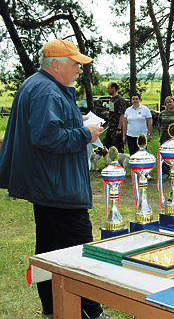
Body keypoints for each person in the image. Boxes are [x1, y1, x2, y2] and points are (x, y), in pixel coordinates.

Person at [0, 39, 110, 319]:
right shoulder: (48, 92)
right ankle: (92, 314)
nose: (78, 70)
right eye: (74, 64)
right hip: (59, 188)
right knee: (80, 253)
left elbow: (48, 129)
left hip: (47, 185)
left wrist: (78, 122)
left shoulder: (38, 85)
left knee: (49, 253)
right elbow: (47, 136)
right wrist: (86, 133)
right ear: (57, 64)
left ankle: (53, 311)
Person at [103, 81, 127, 153]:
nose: (107, 90)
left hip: (116, 127)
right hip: (110, 127)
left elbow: (122, 115)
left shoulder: (120, 100)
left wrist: (119, 128)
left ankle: (120, 163)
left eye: (109, 88)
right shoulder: (111, 99)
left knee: (118, 148)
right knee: (106, 146)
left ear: (113, 88)